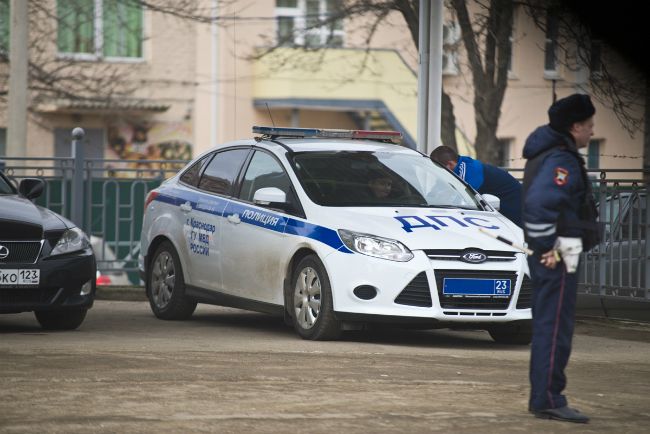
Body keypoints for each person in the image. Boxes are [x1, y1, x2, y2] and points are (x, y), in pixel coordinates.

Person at [522, 93, 597, 424]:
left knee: (550, 325)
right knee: (555, 328)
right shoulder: (560, 158)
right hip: (559, 252)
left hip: (559, 249)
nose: (593, 132)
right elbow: (539, 205)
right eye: (590, 126)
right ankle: (549, 398)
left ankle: (545, 396)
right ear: (576, 126)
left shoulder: (552, 151)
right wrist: (549, 247)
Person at [430, 145, 522, 227]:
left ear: (450, 164)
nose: (438, 172)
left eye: (439, 168)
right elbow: (437, 189)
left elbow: (462, 200)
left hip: (516, 205)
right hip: (501, 208)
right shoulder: (455, 167)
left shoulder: (469, 172)